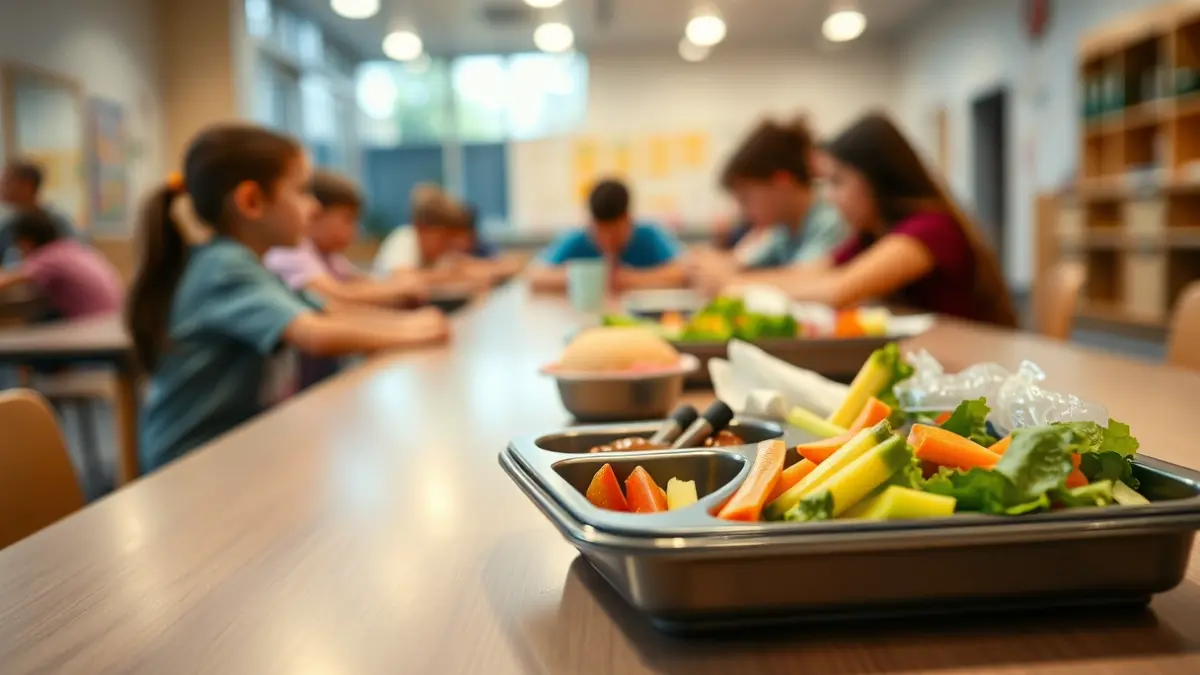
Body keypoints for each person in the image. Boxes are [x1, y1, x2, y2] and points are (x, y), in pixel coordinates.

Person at [128, 124, 450, 473]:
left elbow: (328, 310)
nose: (312, 208)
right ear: (251, 201)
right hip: (188, 462)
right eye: (301, 192)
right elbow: (315, 334)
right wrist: (412, 332)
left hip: (230, 450)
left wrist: (409, 323)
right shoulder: (223, 267)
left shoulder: (250, 263)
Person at [721, 112, 1018, 326]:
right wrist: (735, 281)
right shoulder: (871, 235)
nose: (831, 197)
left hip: (974, 364)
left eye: (838, 182)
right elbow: (810, 272)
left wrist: (736, 286)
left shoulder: (930, 229)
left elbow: (838, 290)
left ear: (874, 179)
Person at [690, 118, 848, 289]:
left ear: (782, 183)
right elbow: (738, 264)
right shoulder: (783, 229)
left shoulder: (832, 222)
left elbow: (808, 280)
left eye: (746, 198)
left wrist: (728, 280)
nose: (743, 213)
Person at [265, 170, 426, 309]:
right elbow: (333, 295)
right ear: (316, 216)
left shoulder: (329, 255)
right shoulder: (290, 249)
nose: (355, 231)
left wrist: (398, 289)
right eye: (348, 220)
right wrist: (400, 289)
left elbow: (360, 283)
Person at [528, 179, 686, 292]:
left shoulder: (649, 236)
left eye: (614, 234)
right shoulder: (577, 239)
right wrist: (587, 279)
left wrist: (630, 279)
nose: (607, 241)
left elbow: (683, 270)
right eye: (600, 233)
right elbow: (535, 275)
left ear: (628, 219)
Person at [0, 208, 121, 319]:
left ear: (27, 242)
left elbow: (6, 281)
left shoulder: (47, 257)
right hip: (112, 320)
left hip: (90, 327)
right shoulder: (73, 248)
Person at [0, 160, 77, 261]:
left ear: (27, 185)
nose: (1, 186)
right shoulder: (7, 225)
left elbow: (72, 258)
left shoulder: (57, 222)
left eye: (7, 182)